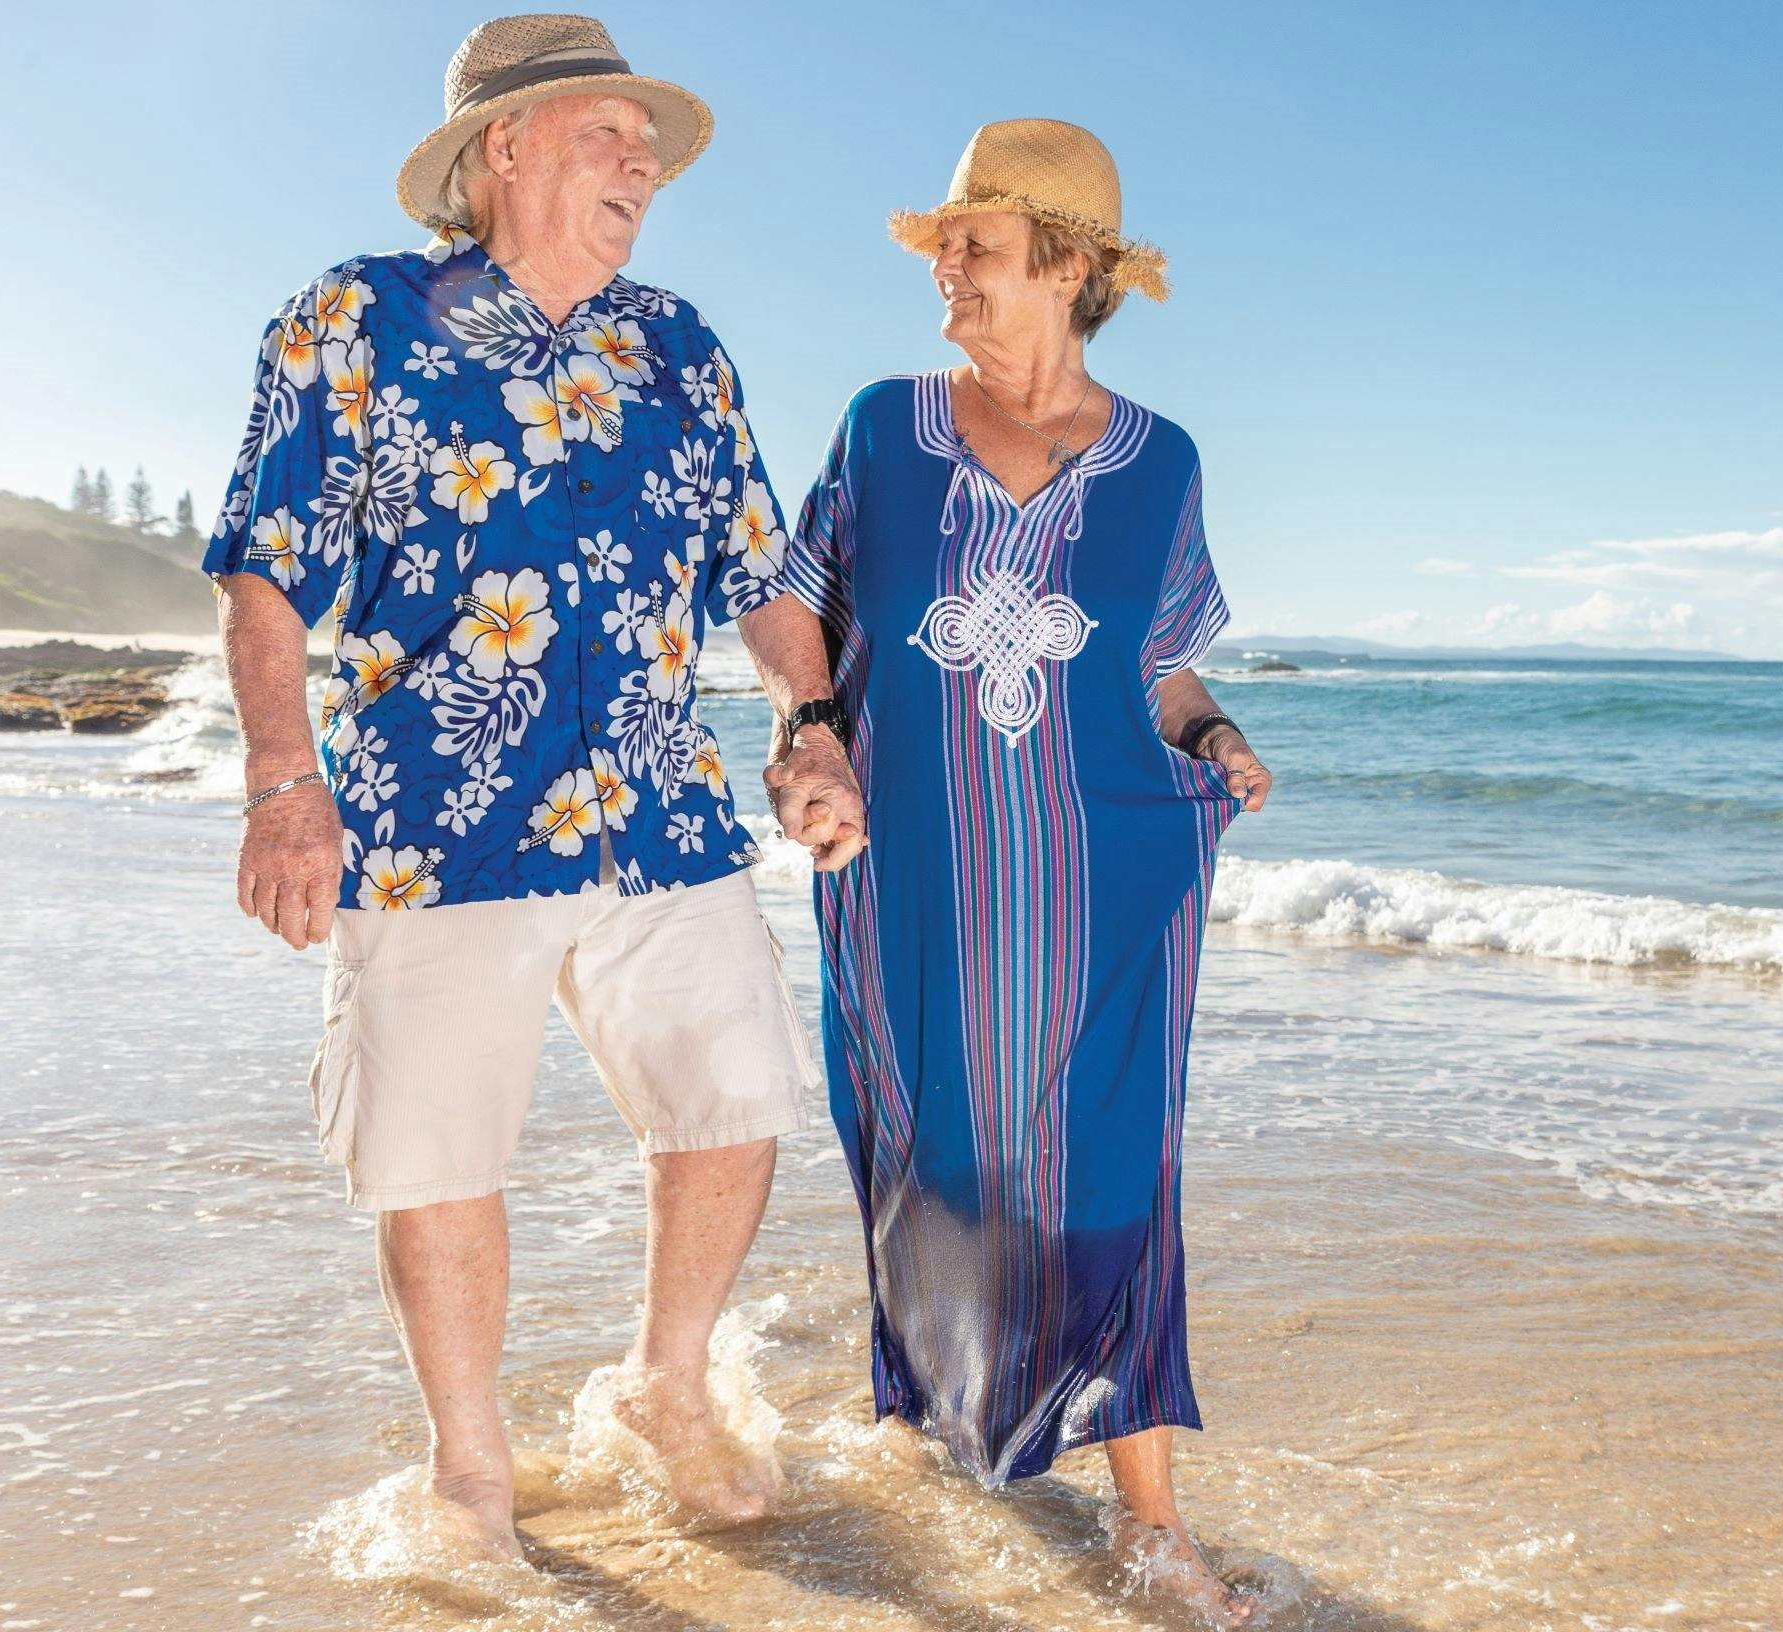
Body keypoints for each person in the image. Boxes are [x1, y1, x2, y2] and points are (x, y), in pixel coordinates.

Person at [204, 14, 858, 1557]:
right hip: (434, 813)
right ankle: (472, 1470)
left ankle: (664, 1386)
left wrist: (812, 719)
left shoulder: (677, 343)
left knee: (735, 1093)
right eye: (607, 134)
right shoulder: (357, 317)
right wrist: (284, 782)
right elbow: (265, 570)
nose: (643, 164)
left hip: (660, 802)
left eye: (649, 145)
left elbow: (758, 568)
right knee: (434, 1148)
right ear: (502, 146)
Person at [759, 118, 1275, 1625]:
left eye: (973, 248)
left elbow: (1156, 666)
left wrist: (1215, 731)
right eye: (941, 250)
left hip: (1093, 880)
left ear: (1064, 263)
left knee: (1115, 1164)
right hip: (908, 871)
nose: (946, 273)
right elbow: (794, 609)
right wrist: (807, 736)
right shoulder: (882, 426)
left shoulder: (1160, 461)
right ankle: (937, 1425)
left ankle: (1150, 1525)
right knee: (927, 1153)